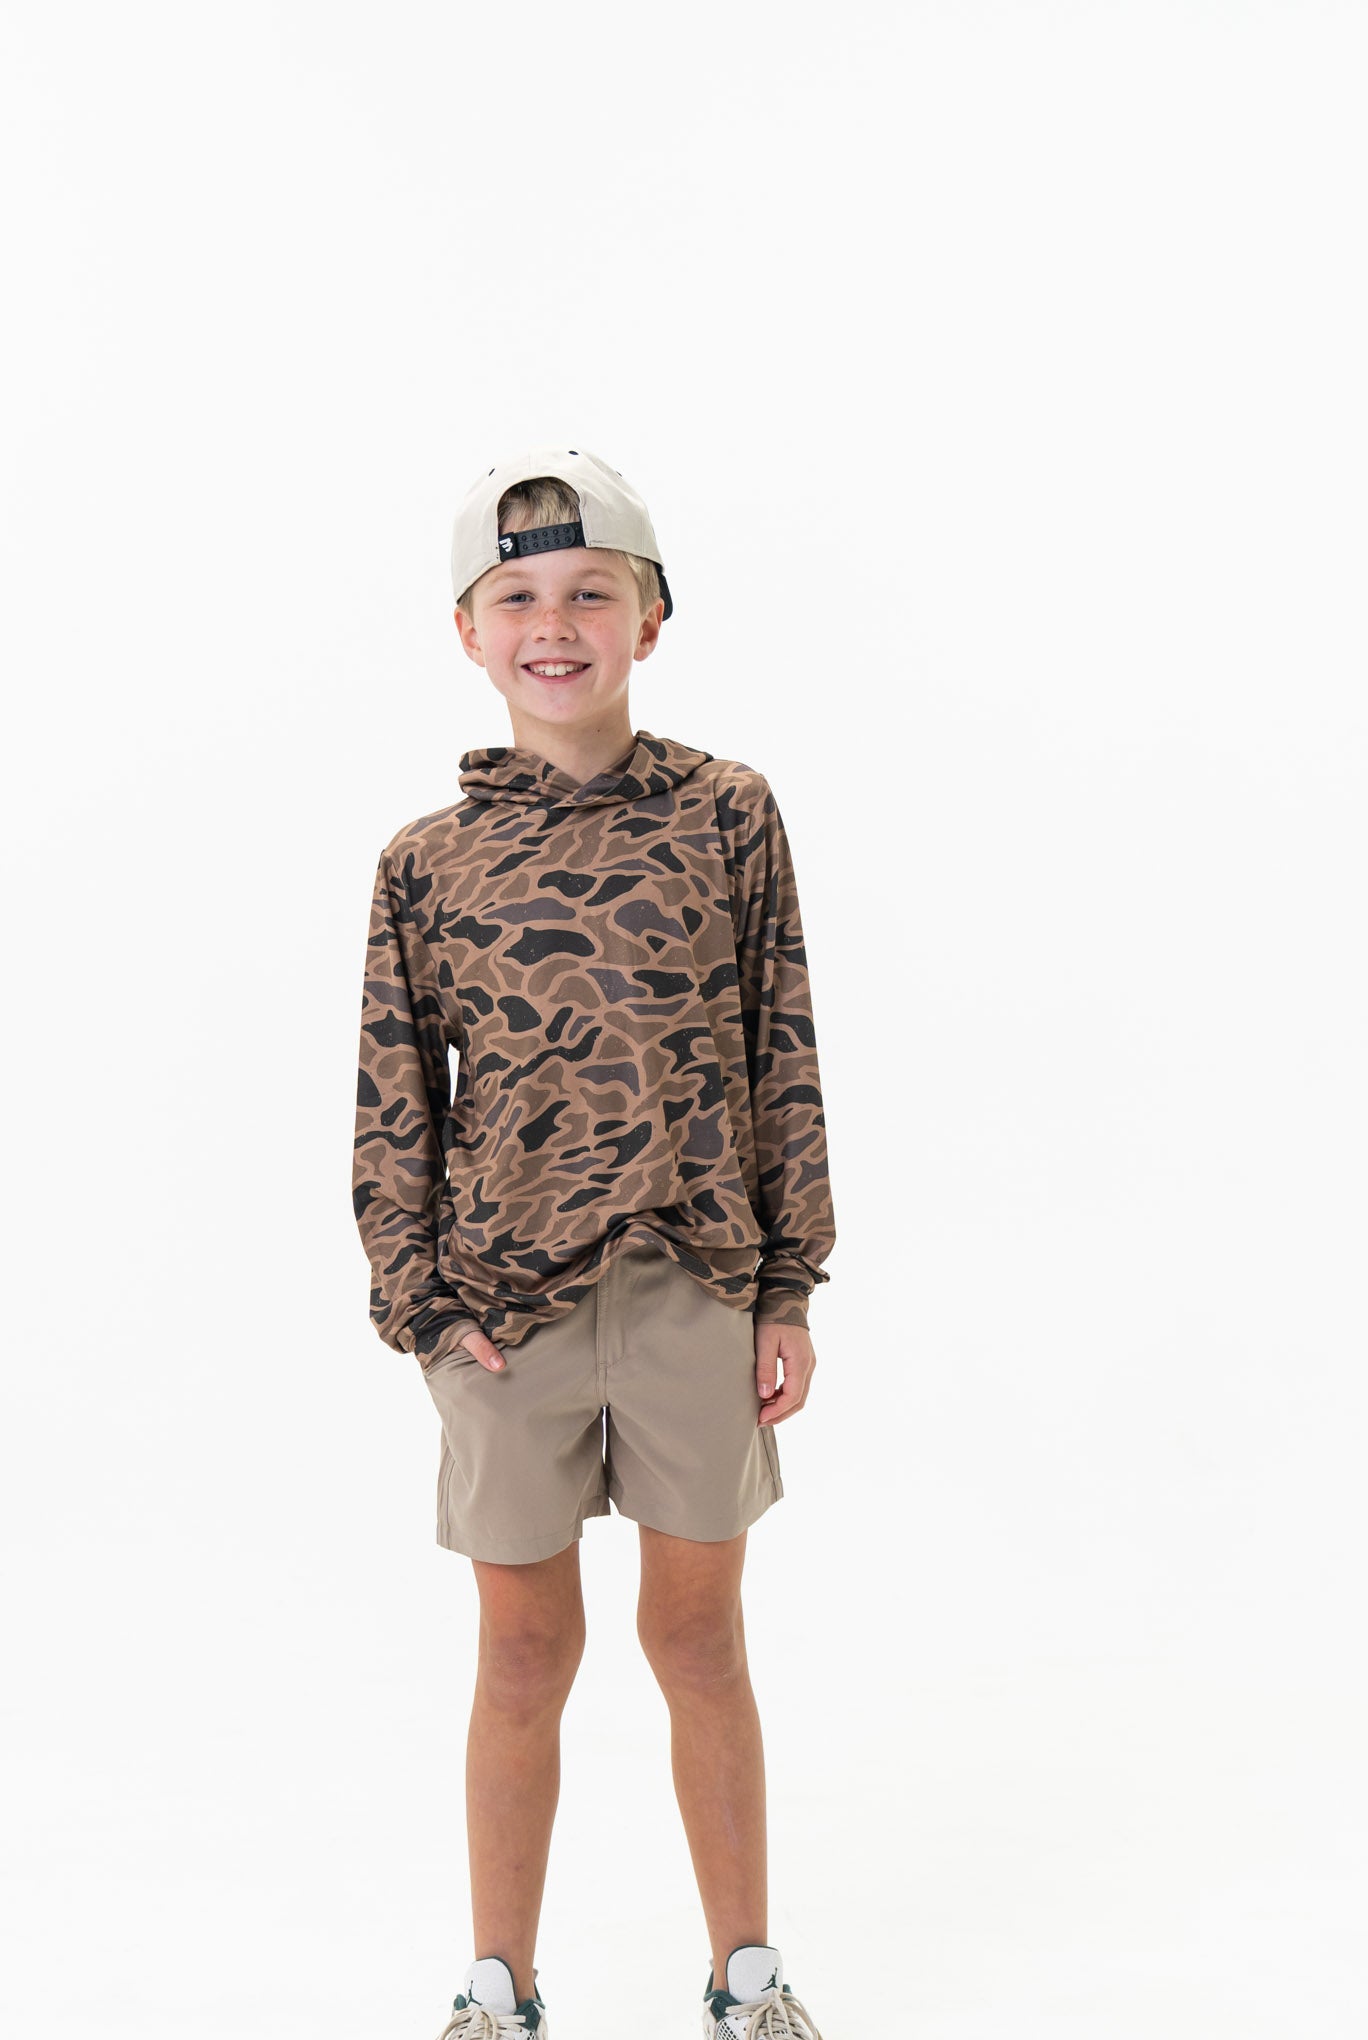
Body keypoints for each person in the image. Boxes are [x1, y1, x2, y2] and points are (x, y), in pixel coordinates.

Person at [352, 448, 837, 2040]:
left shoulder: (728, 815)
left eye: (589, 594)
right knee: (522, 1651)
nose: (553, 627)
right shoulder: (428, 863)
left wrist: (786, 1284)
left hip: (697, 1287)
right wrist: (424, 1310)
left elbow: (779, 1044)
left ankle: (746, 1978)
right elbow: (395, 1101)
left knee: (698, 1637)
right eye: (517, 598)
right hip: (506, 1315)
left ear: (649, 619)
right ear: (468, 630)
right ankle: (498, 1988)